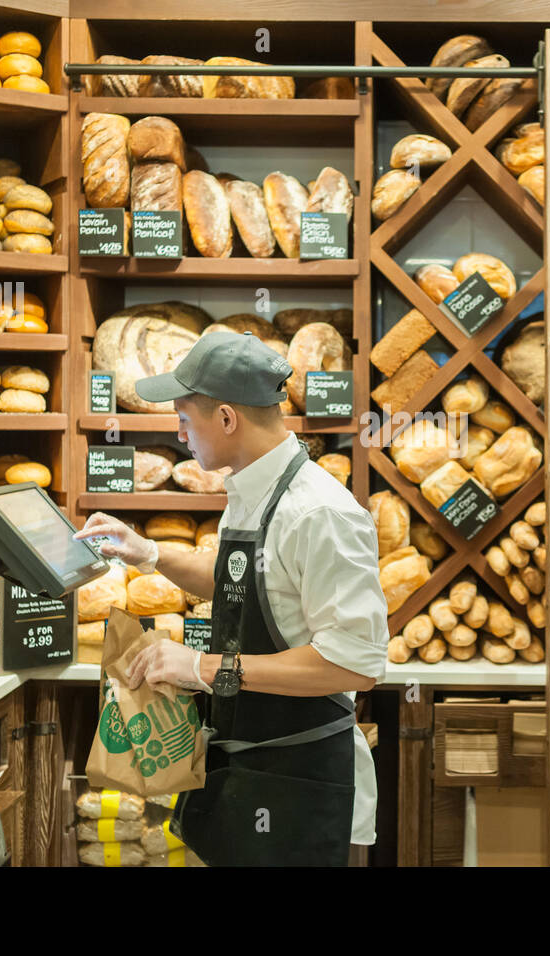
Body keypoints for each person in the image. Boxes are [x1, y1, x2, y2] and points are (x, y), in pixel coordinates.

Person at [74, 331, 387, 866]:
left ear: (225, 418)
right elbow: (241, 585)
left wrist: (203, 666)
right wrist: (149, 553)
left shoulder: (318, 512)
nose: (178, 431)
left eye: (183, 417)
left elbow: (352, 663)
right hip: (252, 769)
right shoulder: (253, 489)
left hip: (301, 781)